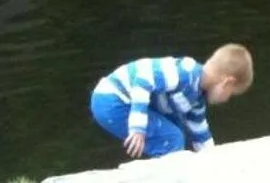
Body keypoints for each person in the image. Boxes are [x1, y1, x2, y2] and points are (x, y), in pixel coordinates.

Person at [90, 45, 253, 159]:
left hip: (118, 102)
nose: (226, 99)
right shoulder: (185, 73)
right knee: (172, 138)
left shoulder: (196, 99)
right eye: (230, 94)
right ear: (227, 82)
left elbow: (200, 134)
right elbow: (143, 81)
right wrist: (138, 127)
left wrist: (212, 161)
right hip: (112, 99)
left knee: (176, 127)